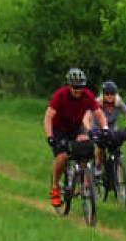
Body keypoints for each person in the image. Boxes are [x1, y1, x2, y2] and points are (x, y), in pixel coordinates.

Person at [43, 68, 109, 209]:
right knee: (62, 157)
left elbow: (99, 114)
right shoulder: (60, 95)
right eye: (74, 87)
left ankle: (84, 184)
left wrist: (105, 129)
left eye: (80, 87)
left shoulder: (88, 95)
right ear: (69, 85)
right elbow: (48, 117)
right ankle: (55, 188)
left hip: (75, 128)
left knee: (84, 151)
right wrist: (50, 136)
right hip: (58, 129)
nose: (77, 90)